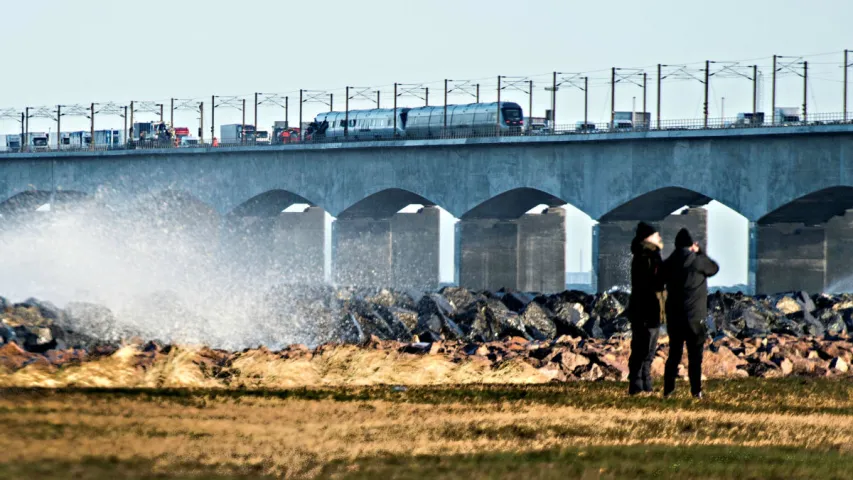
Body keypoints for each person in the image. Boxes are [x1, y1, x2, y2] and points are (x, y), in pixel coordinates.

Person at [663, 228, 719, 399]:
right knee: (695, 357)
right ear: (691, 245)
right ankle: (696, 391)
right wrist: (700, 251)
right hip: (695, 317)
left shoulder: (669, 263)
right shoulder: (698, 262)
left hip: (674, 317)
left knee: (674, 354)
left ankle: (668, 390)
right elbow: (714, 268)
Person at [627, 221, 666, 395]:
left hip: (653, 309)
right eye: (656, 234)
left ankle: (646, 385)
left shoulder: (652, 256)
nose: (660, 237)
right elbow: (649, 283)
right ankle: (637, 385)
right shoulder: (645, 256)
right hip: (645, 308)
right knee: (642, 349)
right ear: (648, 237)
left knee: (649, 351)